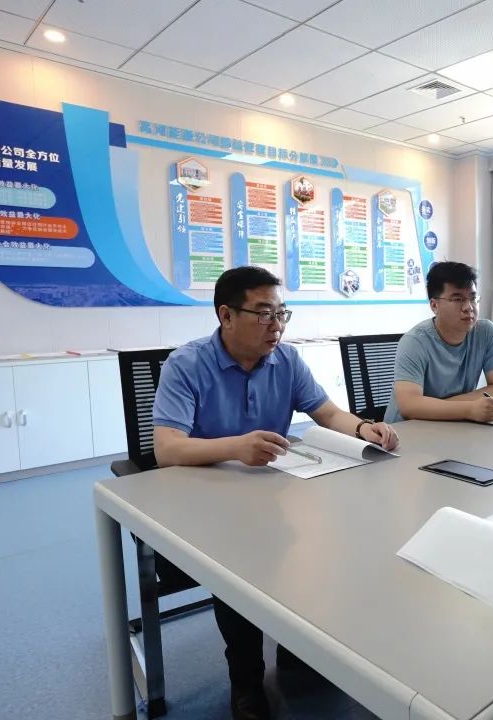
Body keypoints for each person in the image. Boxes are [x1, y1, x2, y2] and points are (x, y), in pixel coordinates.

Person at [152, 266, 399, 720]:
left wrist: (365, 428)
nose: (277, 325)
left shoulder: (285, 360)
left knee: (330, 538)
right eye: (264, 313)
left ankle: (298, 646)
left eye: (282, 313)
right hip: (203, 504)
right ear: (226, 315)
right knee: (236, 561)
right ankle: (245, 679)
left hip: (271, 496)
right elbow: (166, 449)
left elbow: (326, 413)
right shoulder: (186, 365)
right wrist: (235, 447)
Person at [385, 261, 493, 423]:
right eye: (457, 299)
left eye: (473, 298)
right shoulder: (414, 342)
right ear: (434, 305)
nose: (468, 307)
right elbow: (409, 406)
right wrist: (469, 409)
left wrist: (442, 407)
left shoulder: (486, 332)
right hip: (406, 430)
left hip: (455, 424)